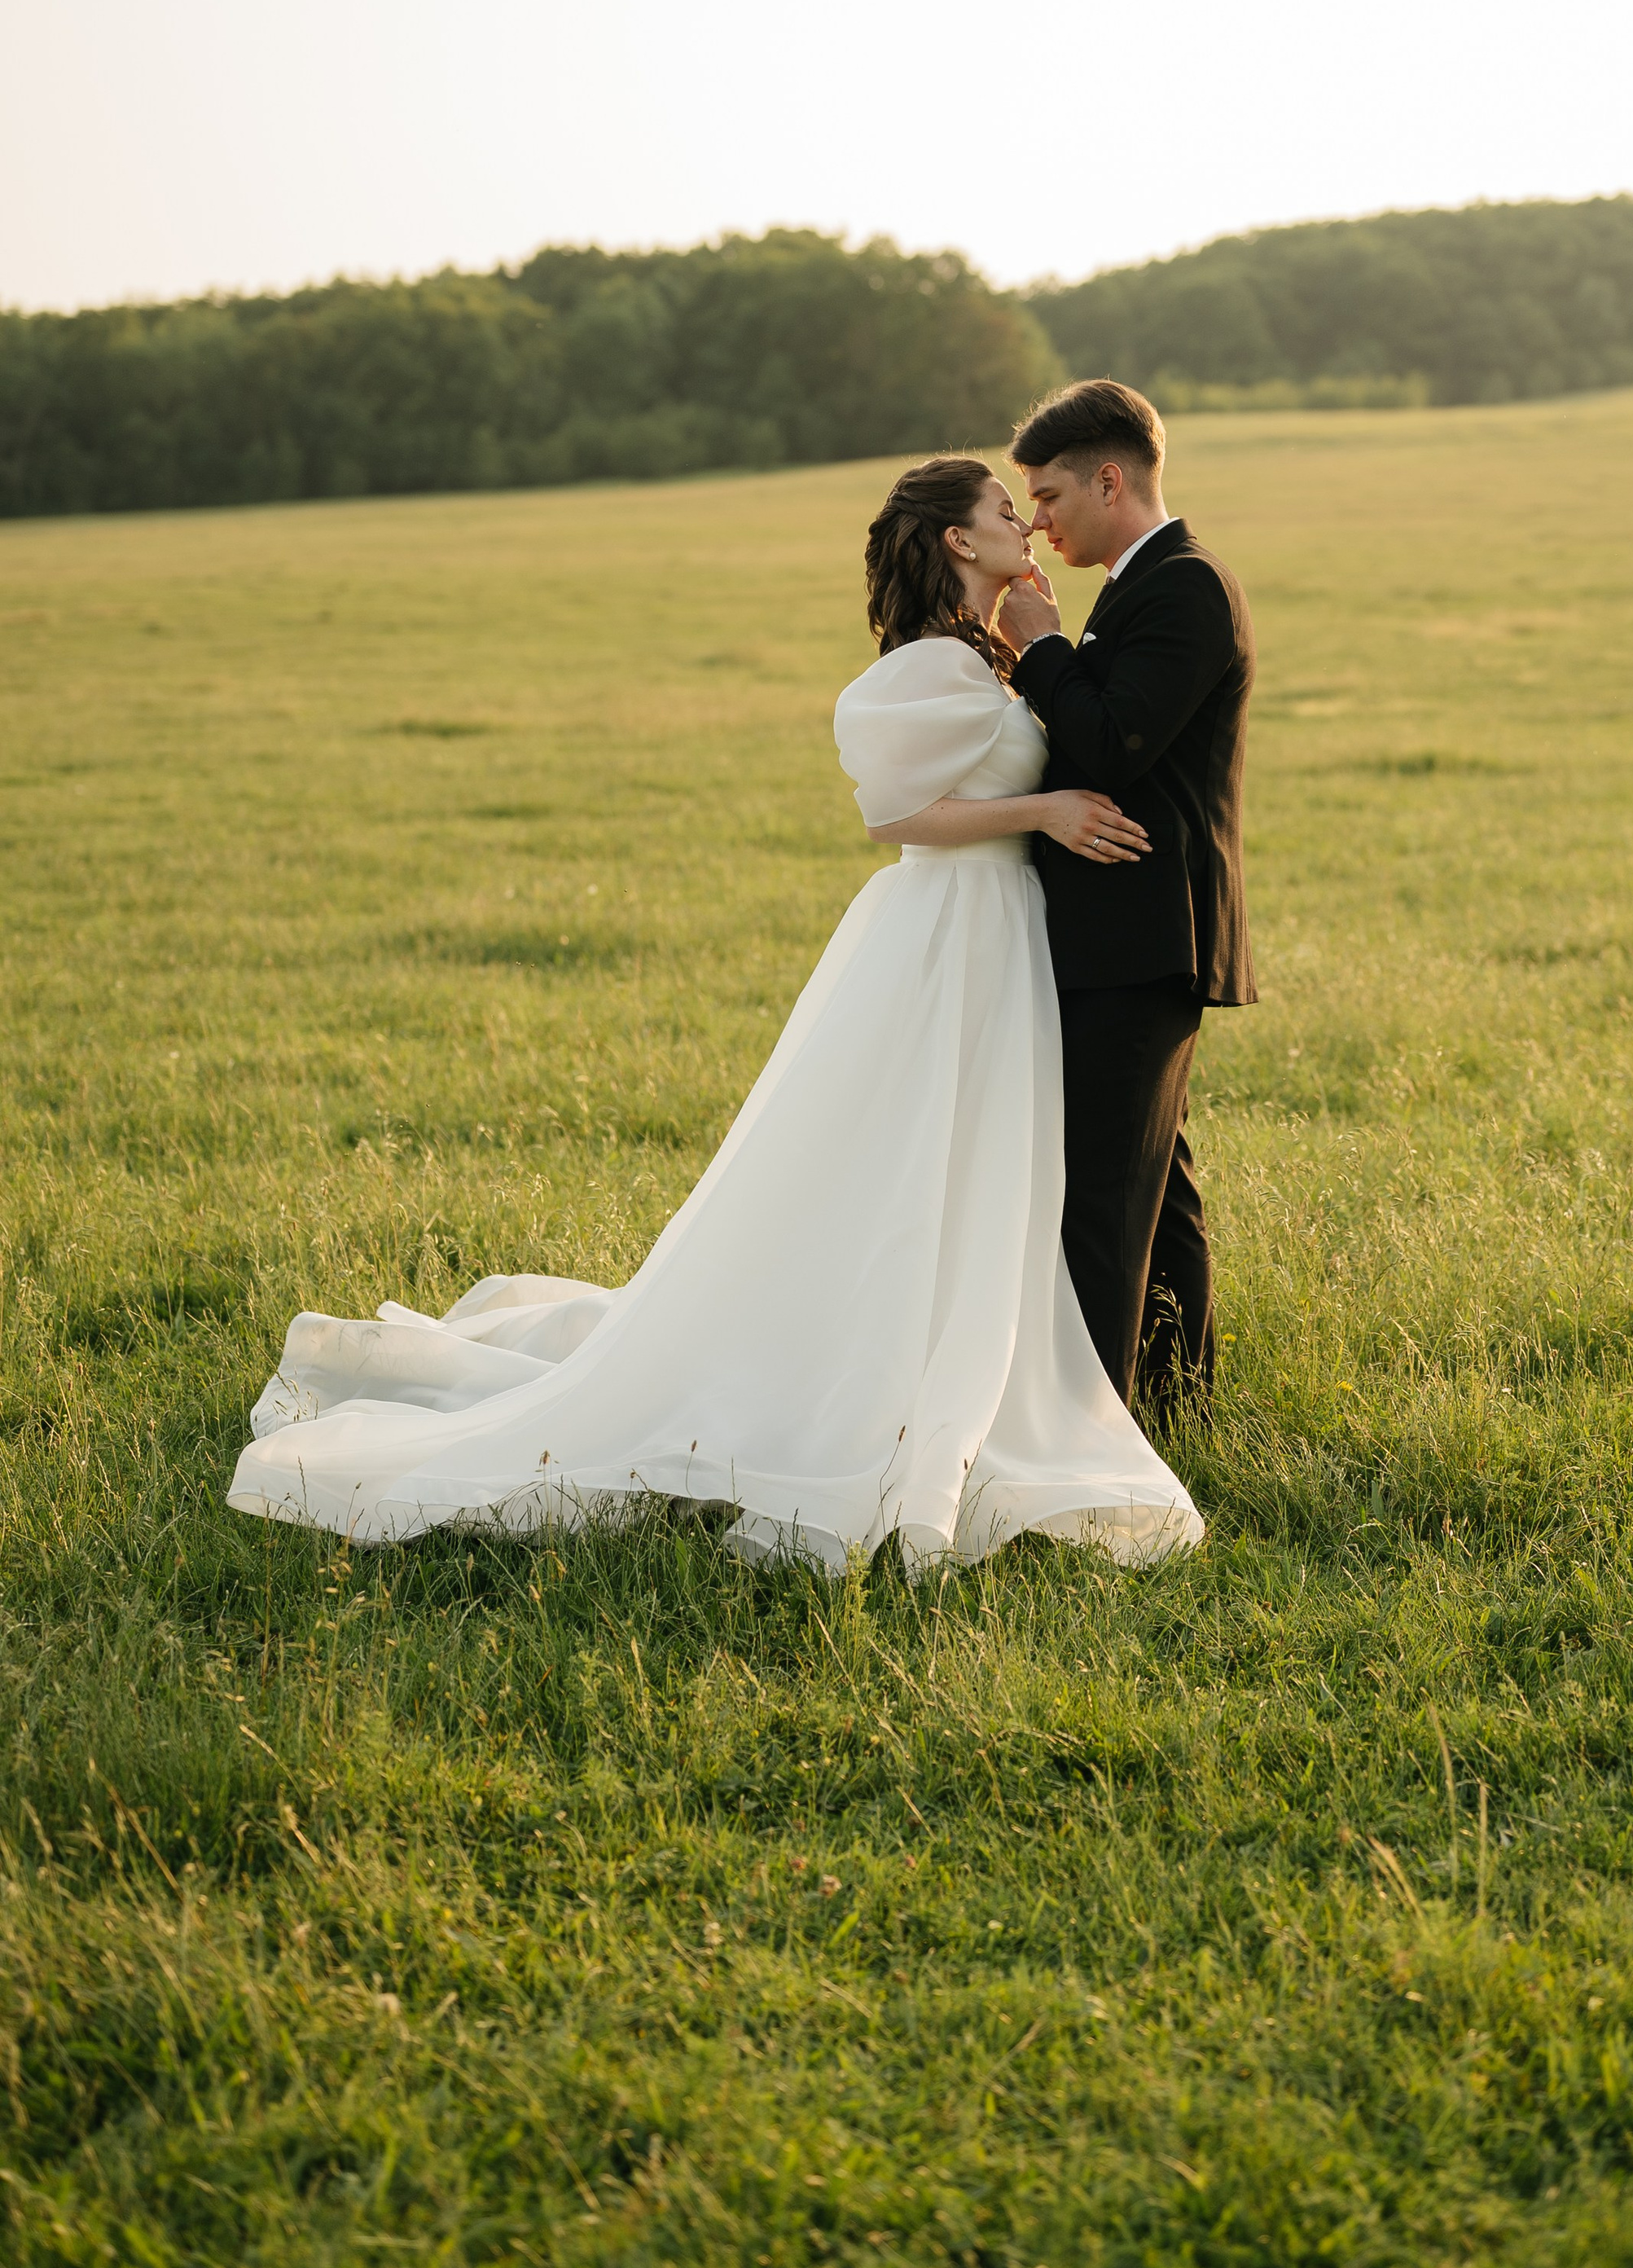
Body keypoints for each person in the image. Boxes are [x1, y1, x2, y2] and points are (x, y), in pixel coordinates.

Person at [225, 458, 1204, 1571]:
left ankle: (971, 1364)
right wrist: (1049, 808)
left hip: (1003, 937)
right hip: (945, 941)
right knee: (908, 1164)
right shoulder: (914, 672)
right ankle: (871, 1390)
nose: (1025, 524)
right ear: (953, 543)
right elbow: (899, 816)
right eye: (999, 513)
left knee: (983, 1170)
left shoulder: (991, 652)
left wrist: (1041, 658)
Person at [997, 380, 1256, 1419]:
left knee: (1100, 1196)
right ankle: (1175, 1403)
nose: (1039, 520)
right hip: (1124, 936)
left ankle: (1088, 1434)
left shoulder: (1185, 585)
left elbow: (1109, 744)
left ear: (1113, 478)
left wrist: (1040, 646)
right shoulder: (1140, 585)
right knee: (1158, 1185)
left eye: (1052, 494)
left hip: (1143, 936)